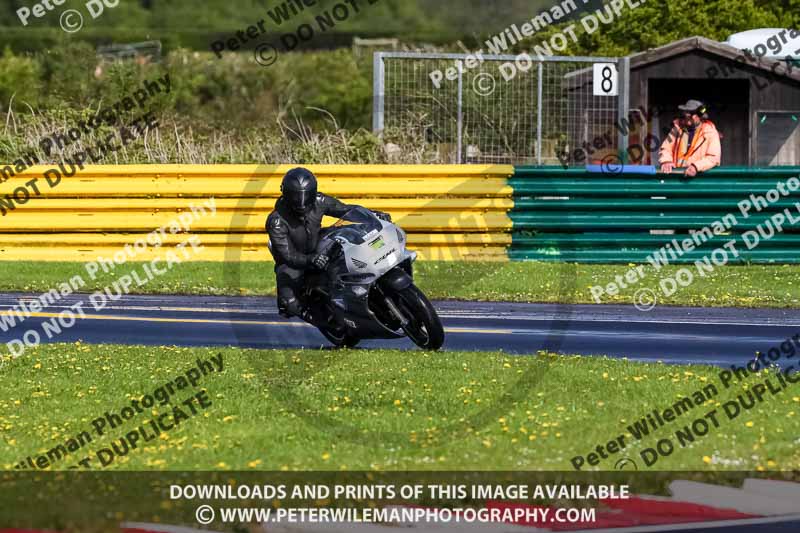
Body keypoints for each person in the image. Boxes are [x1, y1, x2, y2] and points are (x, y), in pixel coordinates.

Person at [266, 167, 391, 326]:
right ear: (286, 194)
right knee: (288, 304)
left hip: (319, 243)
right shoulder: (276, 221)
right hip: (294, 262)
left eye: (306, 195)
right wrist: (311, 260)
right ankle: (325, 323)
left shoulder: (320, 201)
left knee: (349, 234)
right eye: (296, 196)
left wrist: (373, 215)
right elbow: (288, 255)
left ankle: (367, 279)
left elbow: (345, 209)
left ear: (313, 192)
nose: (301, 201)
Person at [658, 100, 721, 177]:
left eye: (690, 114)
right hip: (677, 177)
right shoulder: (676, 129)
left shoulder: (710, 132)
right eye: (686, 113)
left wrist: (696, 167)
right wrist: (666, 161)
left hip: (697, 179)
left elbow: (713, 158)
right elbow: (665, 148)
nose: (687, 116)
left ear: (699, 116)